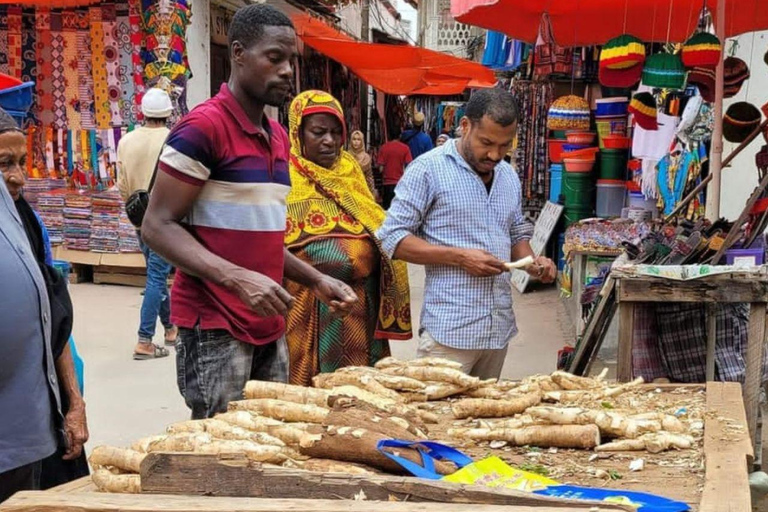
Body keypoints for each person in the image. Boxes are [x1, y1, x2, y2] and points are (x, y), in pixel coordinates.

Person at [142, 4, 358, 420]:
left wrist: (315, 280)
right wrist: (237, 279)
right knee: (220, 457)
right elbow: (156, 225)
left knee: (267, 442)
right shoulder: (203, 129)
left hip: (269, 322)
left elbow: (259, 241)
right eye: (274, 58)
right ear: (238, 53)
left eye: (291, 60)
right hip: (215, 328)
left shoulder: (277, 137)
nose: (287, 71)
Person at [377, 89, 557, 379]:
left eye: (504, 146)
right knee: (436, 421)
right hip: (449, 333)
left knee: (482, 419)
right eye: (486, 143)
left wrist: (532, 263)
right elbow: (391, 238)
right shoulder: (428, 169)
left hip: (497, 331)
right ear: (464, 127)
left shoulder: (508, 175)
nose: (495, 154)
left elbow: (515, 231)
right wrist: (459, 258)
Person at [284, 91, 412, 386]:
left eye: (335, 132)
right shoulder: (284, 177)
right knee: (312, 403)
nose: (329, 140)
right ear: (297, 132)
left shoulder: (350, 171)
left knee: (361, 397)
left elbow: (375, 222)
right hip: (310, 312)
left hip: (360, 310)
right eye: (318, 132)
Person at [0, 108, 88, 502]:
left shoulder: (26, 223)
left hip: (33, 426)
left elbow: (53, 322)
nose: (18, 177)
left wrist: (74, 403)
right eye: (4, 165)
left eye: (21, 162)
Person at [117, 88, 177, 360]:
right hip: (165, 219)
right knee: (156, 277)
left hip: (140, 218)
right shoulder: (173, 139)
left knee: (157, 276)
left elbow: (121, 184)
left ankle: (171, 328)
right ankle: (144, 340)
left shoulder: (126, 141)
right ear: (168, 113)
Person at [376, 126, 412, 210]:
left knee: (386, 211)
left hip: (386, 185)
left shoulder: (384, 148)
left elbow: (380, 168)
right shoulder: (405, 148)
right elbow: (409, 166)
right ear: (400, 136)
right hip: (400, 183)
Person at [348, 129, 378, 199]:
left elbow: (369, 177)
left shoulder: (366, 158)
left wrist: (372, 193)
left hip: (362, 192)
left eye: (358, 140)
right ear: (351, 141)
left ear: (362, 141)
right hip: (348, 190)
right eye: (354, 139)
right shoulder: (346, 156)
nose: (356, 142)